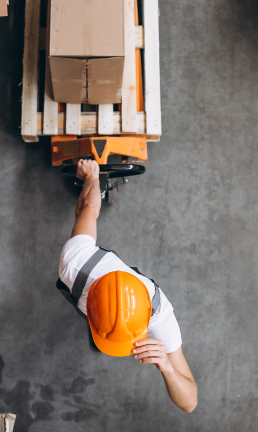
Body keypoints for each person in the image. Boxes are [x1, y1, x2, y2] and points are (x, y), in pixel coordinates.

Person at [57, 159, 198, 413]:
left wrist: (166, 365)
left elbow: (190, 402)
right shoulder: (75, 264)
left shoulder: (160, 317)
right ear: (88, 306)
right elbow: (87, 207)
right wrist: (93, 177)